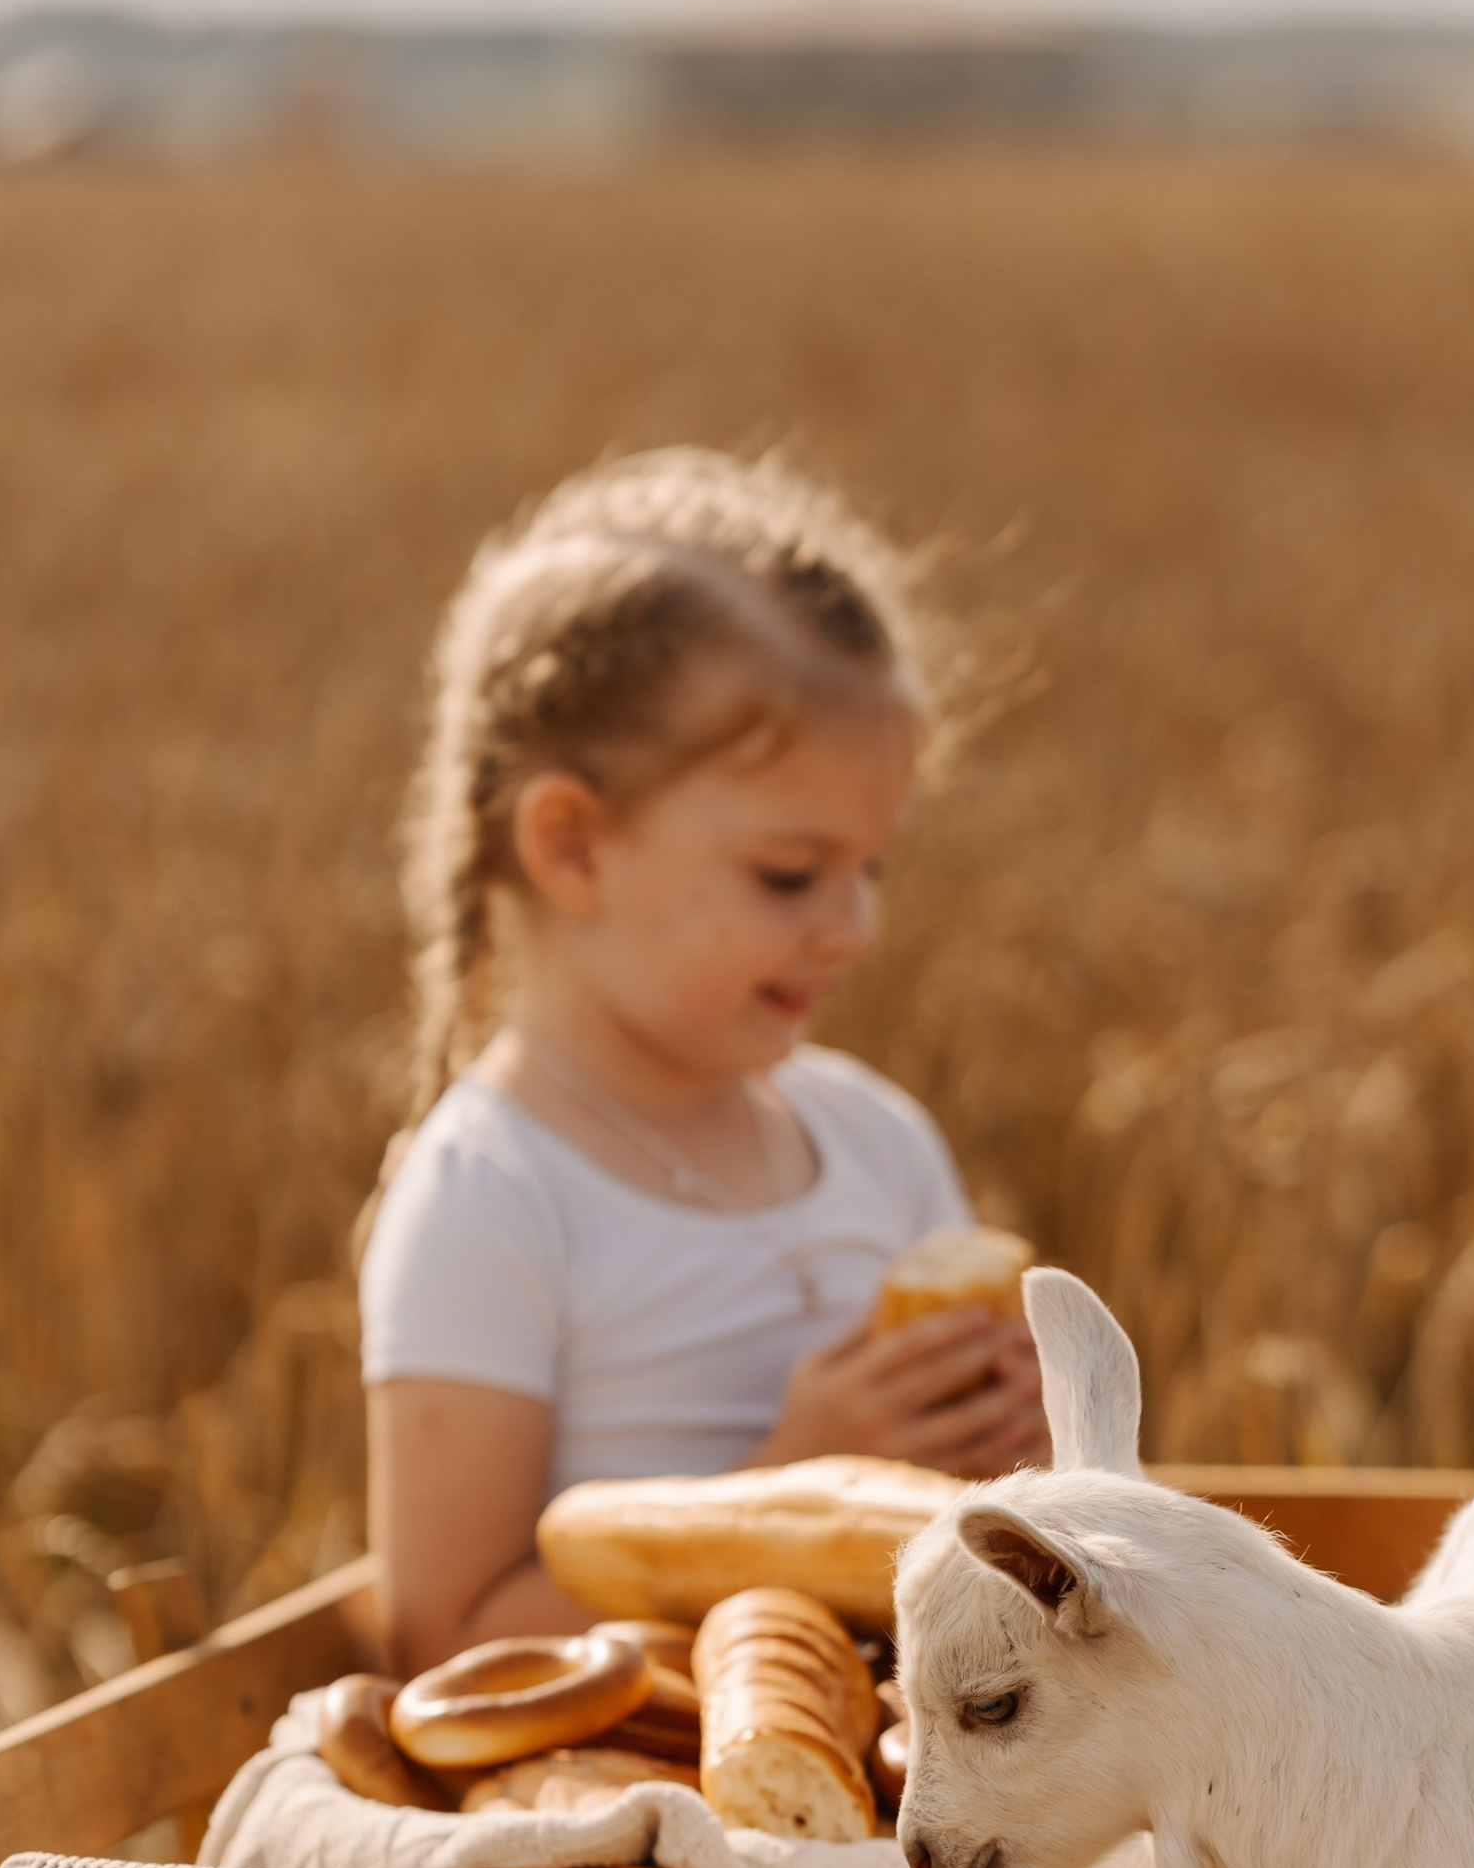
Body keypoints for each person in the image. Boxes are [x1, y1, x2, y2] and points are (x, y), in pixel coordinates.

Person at [359, 445, 1043, 1676]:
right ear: (571, 848)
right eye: (790, 876)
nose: (854, 928)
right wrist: (785, 1494)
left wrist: (1021, 1458)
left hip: (907, 1783)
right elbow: (443, 1634)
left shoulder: (878, 1143)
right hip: (641, 1818)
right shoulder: (492, 1198)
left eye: (869, 868)